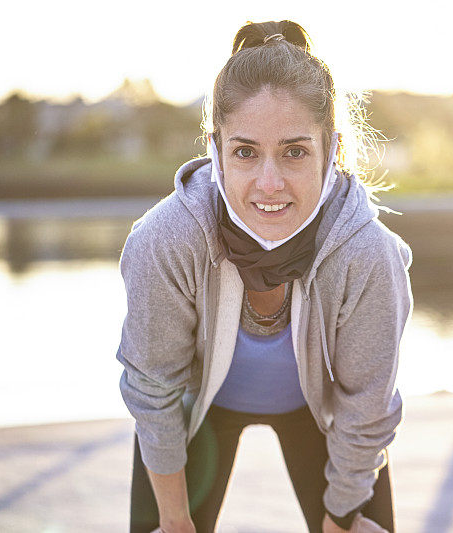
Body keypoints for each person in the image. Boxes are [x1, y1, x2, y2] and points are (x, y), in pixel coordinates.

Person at [115, 20, 413, 533]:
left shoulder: (368, 253)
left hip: (321, 415)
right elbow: (153, 388)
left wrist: (340, 519)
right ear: (217, 150)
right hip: (197, 413)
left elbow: (367, 407)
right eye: (245, 152)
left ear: (333, 151)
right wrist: (173, 520)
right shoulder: (165, 240)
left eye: (295, 151)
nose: (268, 184)